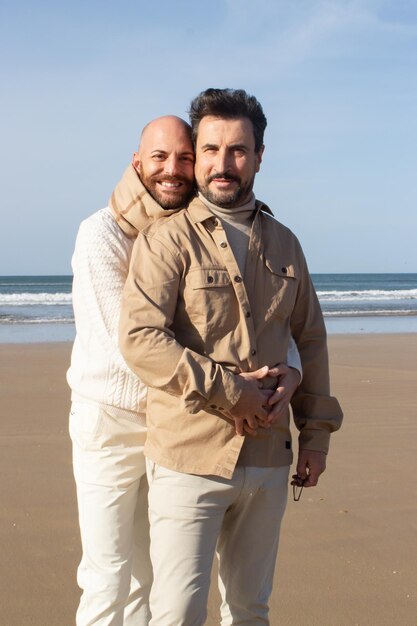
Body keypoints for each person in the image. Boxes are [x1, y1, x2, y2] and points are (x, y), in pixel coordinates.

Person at [119, 89, 343, 626]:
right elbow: (140, 339)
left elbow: (309, 338)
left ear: (259, 156)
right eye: (213, 148)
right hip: (188, 456)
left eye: (239, 150)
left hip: (269, 457)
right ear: (198, 152)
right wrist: (231, 390)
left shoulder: (287, 244)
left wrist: (315, 437)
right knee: (177, 613)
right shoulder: (166, 240)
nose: (224, 164)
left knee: (249, 609)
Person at [67, 114, 302, 626]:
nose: (173, 169)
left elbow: (266, 321)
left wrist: (284, 375)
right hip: (114, 422)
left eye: (184, 157)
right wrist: (233, 392)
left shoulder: (199, 231)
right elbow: (128, 349)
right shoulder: (104, 233)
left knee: (155, 583)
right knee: (109, 574)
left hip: (177, 422)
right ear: (137, 163)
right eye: (159, 158)